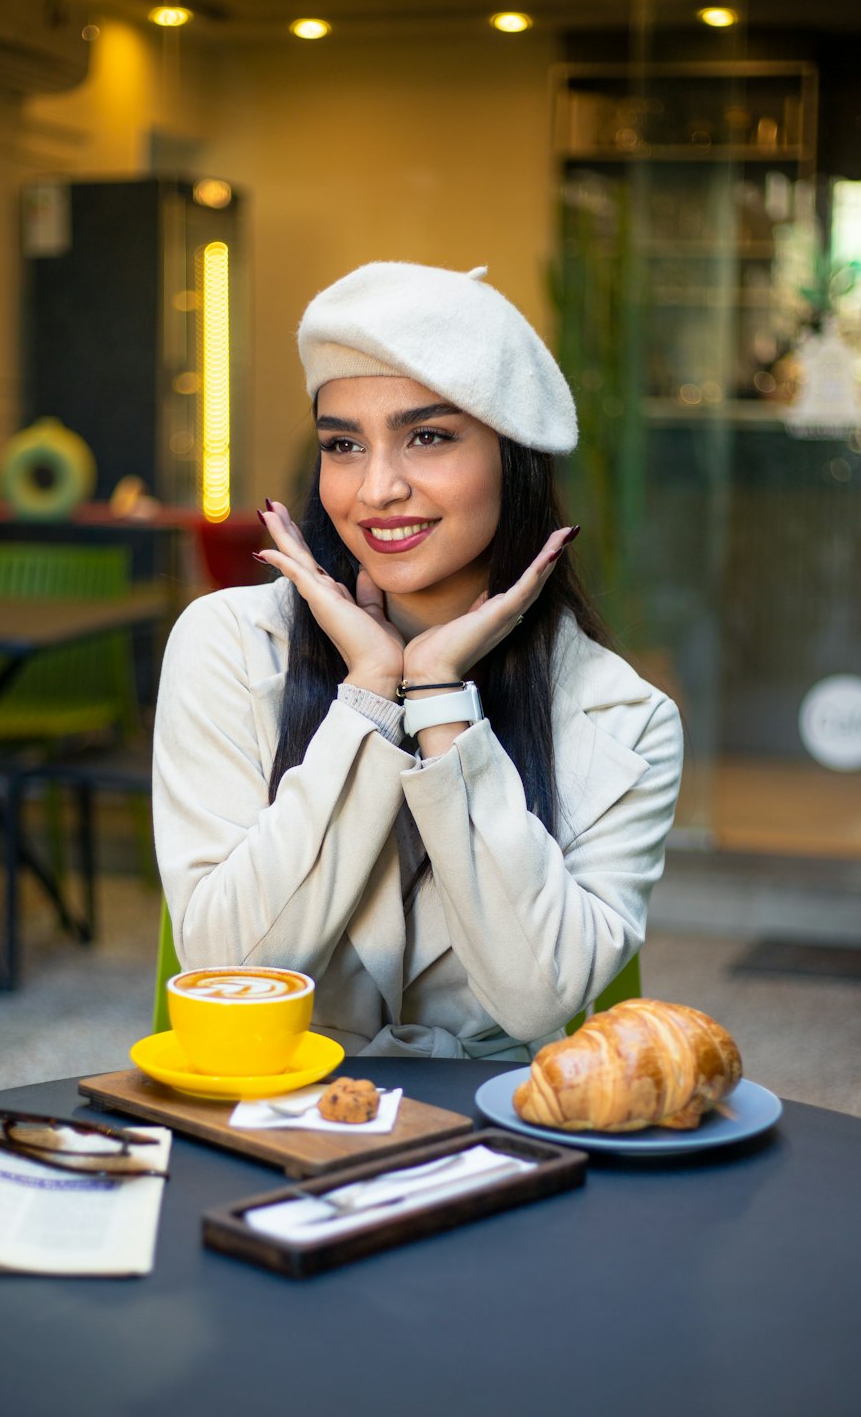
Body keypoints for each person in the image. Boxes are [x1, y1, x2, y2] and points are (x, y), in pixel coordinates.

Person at [153, 261, 682, 1060]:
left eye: (427, 437)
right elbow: (230, 972)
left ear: (514, 456)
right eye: (343, 445)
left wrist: (439, 701)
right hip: (272, 1106)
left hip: (491, 1121)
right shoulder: (228, 645)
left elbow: (536, 999)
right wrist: (368, 695)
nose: (377, 488)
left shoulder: (624, 718)